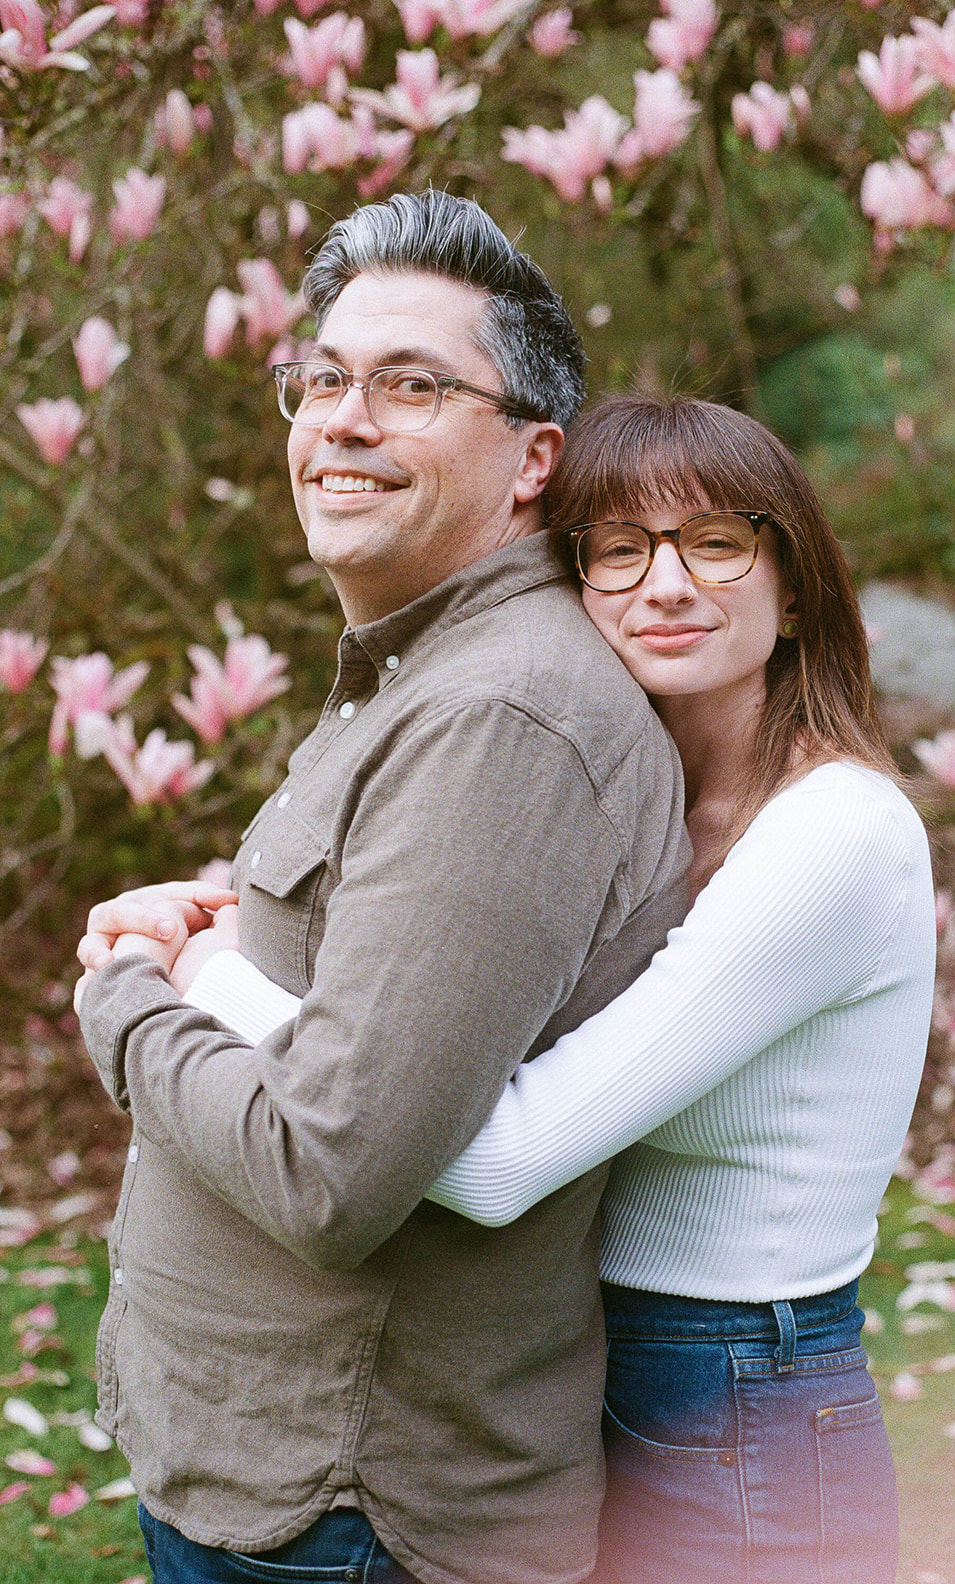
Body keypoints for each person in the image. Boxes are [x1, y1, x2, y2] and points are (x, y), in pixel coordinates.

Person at [171, 395, 937, 1584]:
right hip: (592, 1355)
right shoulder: (637, 805)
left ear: (793, 588)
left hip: (732, 1391)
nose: (664, 584)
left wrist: (203, 979)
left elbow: (496, 1160)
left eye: (716, 541)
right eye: (618, 549)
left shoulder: (833, 834)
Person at [73, 197, 690, 1584]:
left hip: (346, 1517)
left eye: (412, 385)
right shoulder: (418, 673)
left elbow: (330, 1167)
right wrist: (221, 936)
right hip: (273, 1488)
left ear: (535, 457)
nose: (345, 420)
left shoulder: (502, 721)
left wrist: (124, 999)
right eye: (325, 378)